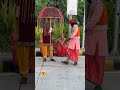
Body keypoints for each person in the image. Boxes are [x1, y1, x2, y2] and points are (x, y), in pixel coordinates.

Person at [85, 0, 108, 89]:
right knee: (95, 60)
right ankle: (96, 82)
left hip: (97, 39)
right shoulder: (96, 4)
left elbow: (94, 20)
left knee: (97, 61)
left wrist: (86, 28)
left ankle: (97, 82)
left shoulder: (98, 5)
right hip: (95, 38)